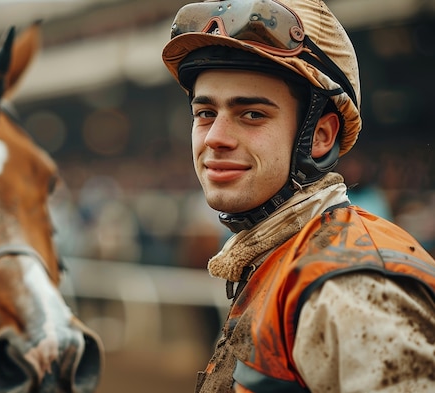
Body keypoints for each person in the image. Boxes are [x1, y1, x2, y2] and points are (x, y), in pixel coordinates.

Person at [161, 0, 435, 392]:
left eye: (252, 114)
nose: (215, 138)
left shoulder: (352, 289)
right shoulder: (280, 256)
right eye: (205, 113)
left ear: (321, 136)